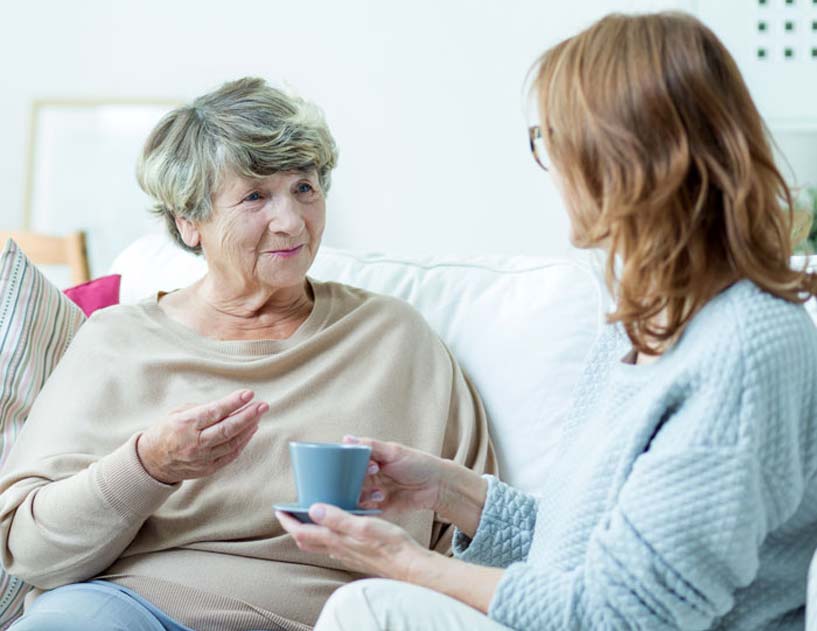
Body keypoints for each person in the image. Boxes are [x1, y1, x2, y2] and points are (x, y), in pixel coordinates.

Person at [278, 12, 817, 630]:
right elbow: (581, 558)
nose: (552, 167)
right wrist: (450, 492)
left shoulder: (745, 347)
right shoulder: (637, 323)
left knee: (371, 607)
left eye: (552, 139)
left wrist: (404, 564)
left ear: (626, 154)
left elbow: (624, 614)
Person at [0, 77, 495, 631]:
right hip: (136, 609)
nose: (290, 220)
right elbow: (31, 551)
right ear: (189, 222)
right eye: (255, 196)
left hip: (337, 617)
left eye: (304, 188)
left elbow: (484, 543)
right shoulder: (117, 342)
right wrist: (147, 466)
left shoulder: (393, 338)